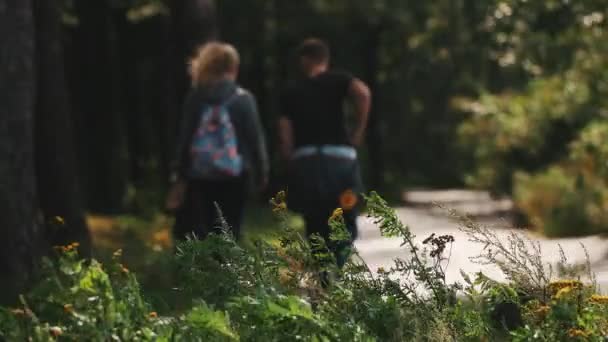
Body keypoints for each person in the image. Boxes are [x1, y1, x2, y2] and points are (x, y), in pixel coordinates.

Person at [278, 38, 371, 267]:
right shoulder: (339, 79)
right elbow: (363, 93)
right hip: (341, 162)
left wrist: (289, 161)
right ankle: (339, 264)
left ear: (304, 60)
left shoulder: (292, 91)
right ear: (325, 59)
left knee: (315, 219)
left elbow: (285, 134)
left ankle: (323, 280)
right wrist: (358, 130)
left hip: (307, 164)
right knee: (345, 211)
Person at [168, 42, 269, 241]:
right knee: (231, 229)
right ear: (233, 68)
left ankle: (208, 268)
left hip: (200, 175)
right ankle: (228, 268)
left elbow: (185, 138)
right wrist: (262, 172)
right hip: (236, 175)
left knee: (204, 228)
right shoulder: (243, 99)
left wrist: (179, 174)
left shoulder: (196, 97)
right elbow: (255, 139)